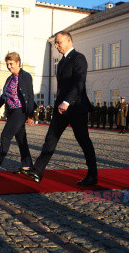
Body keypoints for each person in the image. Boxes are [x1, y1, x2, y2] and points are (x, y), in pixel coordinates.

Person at [23, 31, 98, 186]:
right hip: (61, 109)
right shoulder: (62, 61)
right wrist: (60, 103)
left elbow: (79, 83)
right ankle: (38, 171)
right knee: (50, 138)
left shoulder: (79, 58)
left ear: (68, 40)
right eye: (55, 43)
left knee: (84, 141)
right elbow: (62, 87)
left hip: (76, 108)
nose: (56, 46)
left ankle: (92, 175)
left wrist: (67, 102)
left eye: (59, 42)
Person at [0, 52, 36, 175]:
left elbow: (30, 96)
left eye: (11, 64)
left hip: (20, 111)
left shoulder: (26, 76)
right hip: (11, 112)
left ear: (18, 63)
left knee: (5, 136)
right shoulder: (9, 79)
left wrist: (30, 115)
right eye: (7, 64)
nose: (9, 67)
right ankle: (27, 166)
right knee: (21, 139)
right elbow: (4, 96)